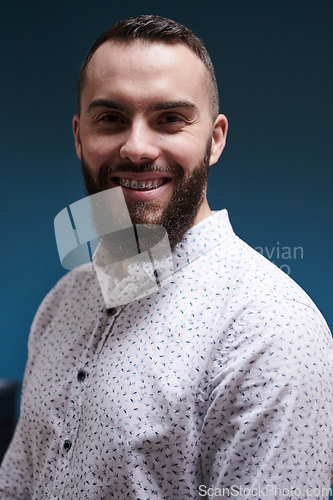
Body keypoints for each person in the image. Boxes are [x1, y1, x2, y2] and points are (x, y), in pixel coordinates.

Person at [0, 14, 332, 500]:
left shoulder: (273, 331)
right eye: (110, 118)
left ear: (214, 139)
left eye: (169, 119)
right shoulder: (62, 303)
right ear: (78, 136)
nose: (136, 147)